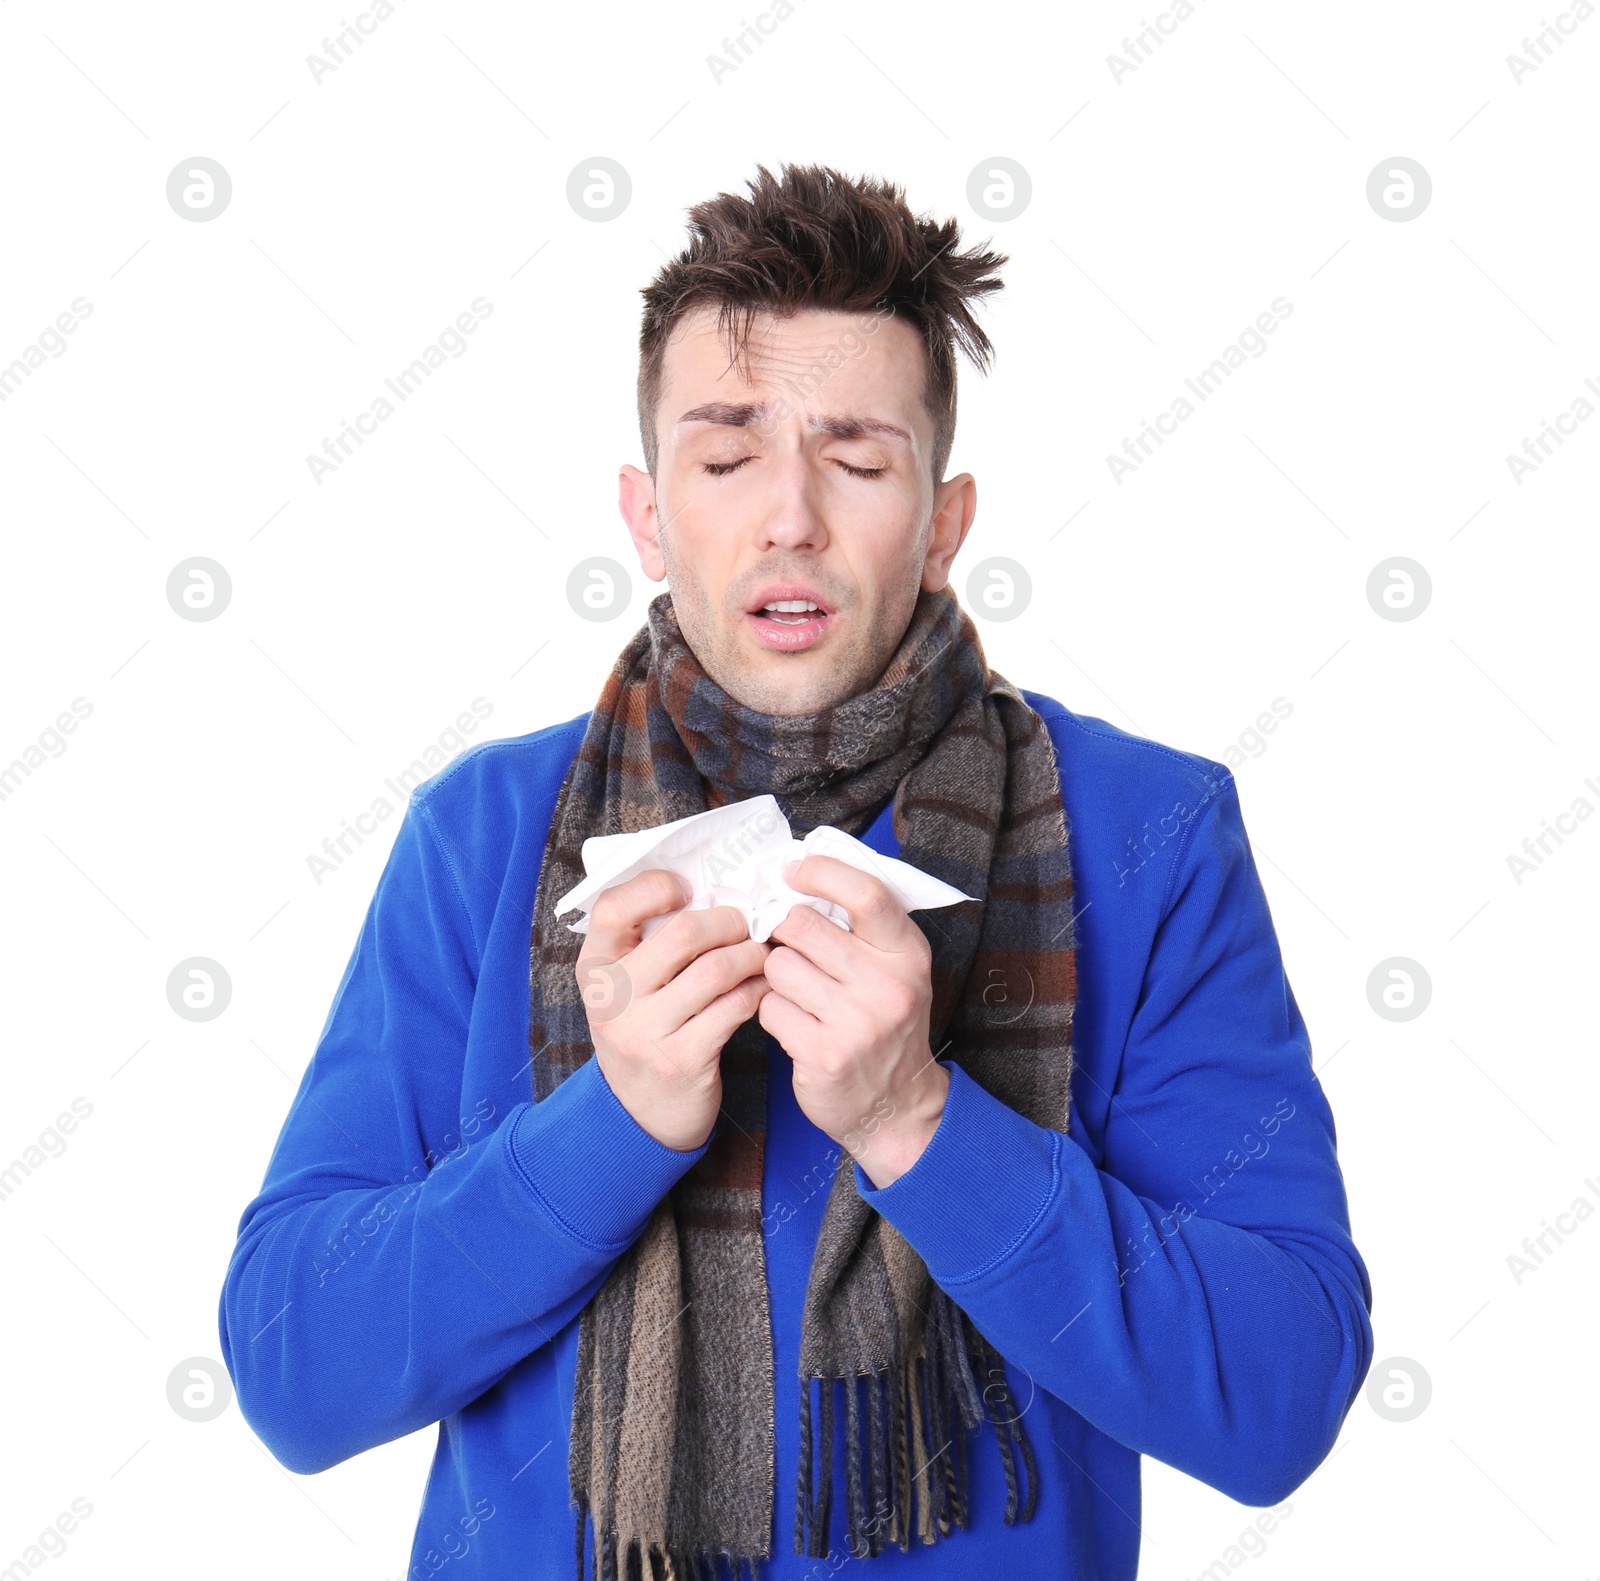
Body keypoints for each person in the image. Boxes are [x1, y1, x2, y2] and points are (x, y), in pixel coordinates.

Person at [219, 163, 1372, 1581]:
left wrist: (922, 1122)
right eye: (725, 458)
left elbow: (1281, 1396)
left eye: (859, 458)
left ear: (944, 523)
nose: (791, 520)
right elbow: (292, 1369)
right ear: (646, 515)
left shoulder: (1150, 828)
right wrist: (620, 1117)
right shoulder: (485, 829)